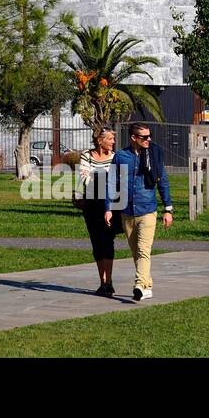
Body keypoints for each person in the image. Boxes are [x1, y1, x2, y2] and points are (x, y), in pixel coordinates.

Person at [105, 124, 173, 302]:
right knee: (136, 252)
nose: (148, 140)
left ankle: (138, 285)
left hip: (147, 210)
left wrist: (168, 209)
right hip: (127, 212)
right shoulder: (121, 156)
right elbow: (111, 182)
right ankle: (147, 286)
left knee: (144, 250)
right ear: (134, 138)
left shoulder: (154, 154)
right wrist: (109, 208)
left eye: (149, 136)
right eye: (144, 137)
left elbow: (163, 181)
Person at [75, 127, 119, 296]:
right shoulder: (87, 155)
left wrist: (97, 177)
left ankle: (109, 281)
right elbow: (83, 177)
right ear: (101, 141)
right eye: (110, 139)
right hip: (91, 204)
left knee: (107, 241)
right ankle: (103, 282)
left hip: (110, 204)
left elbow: (116, 179)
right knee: (96, 242)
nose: (113, 142)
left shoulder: (116, 157)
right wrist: (105, 179)